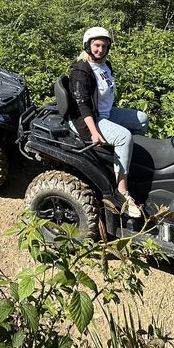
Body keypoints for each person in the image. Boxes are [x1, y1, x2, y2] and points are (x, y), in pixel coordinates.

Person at [68, 27, 147, 219]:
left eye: (104, 46)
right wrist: (94, 131)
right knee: (124, 136)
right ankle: (122, 192)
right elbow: (82, 105)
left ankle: (127, 163)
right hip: (88, 120)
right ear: (88, 45)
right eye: (96, 45)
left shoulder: (105, 65)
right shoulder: (81, 69)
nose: (100, 49)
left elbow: (108, 94)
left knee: (142, 119)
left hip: (106, 113)